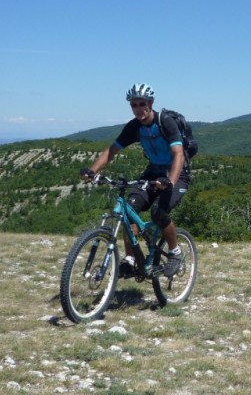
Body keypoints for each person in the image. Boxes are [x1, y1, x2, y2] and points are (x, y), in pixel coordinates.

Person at [80, 83, 190, 278]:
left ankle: (175, 252)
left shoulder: (165, 122)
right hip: (153, 172)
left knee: (158, 211)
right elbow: (111, 150)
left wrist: (170, 181)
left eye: (142, 103)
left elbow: (178, 154)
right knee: (129, 209)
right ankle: (130, 260)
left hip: (177, 173)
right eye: (134, 105)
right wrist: (92, 170)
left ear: (151, 103)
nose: (138, 108)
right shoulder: (135, 127)